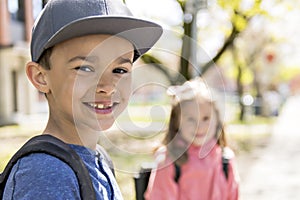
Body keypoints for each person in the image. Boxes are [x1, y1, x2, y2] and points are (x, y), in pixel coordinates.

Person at [3, 0, 162, 199]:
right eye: (85, 68)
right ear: (40, 77)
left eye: (119, 70)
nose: (107, 86)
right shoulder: (47, 174)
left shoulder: (97, 159)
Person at [145, 77, 239, 200]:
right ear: (177, 122)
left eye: (206, 118)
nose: (199, 126)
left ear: (218, 121)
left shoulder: (225, 159)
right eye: (190, 119)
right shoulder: (168, 160)